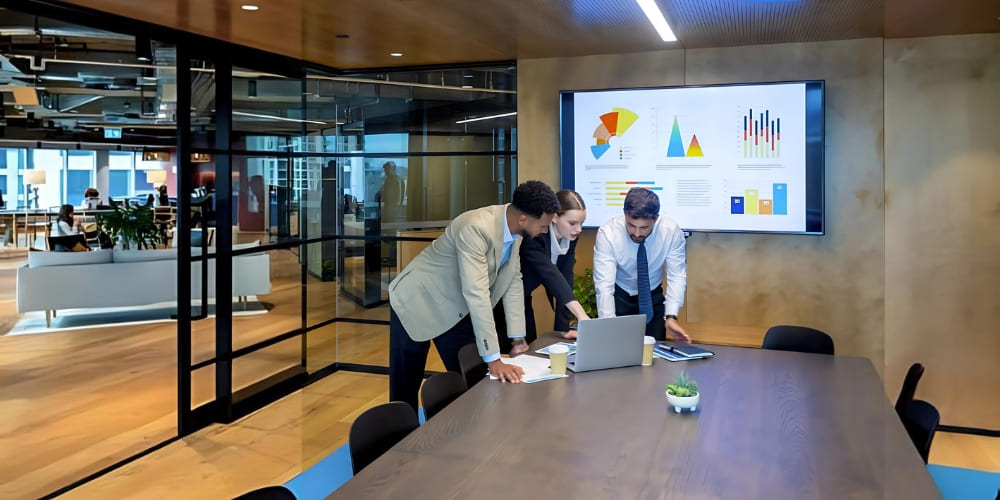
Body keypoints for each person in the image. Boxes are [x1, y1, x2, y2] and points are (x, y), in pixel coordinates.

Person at [388, 180, 560, 411]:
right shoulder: (475, 227)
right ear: (523, 219)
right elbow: (477, 293)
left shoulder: (517, 231)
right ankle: (401, 432)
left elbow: (513, 281)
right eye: (544, 225)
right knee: (406, 384)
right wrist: (494, 359)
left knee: (473, 377)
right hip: (417, 300)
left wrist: (517, 339)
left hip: (455, 306)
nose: (545, 231)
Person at [495, 189, 590, 351]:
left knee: (530, 346)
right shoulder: (535, 235)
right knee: (510, 350)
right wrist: (581, 315)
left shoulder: (570, 238)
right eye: (573, 223)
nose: (579, 229)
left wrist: (563, 329)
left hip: (524, 296)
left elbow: (565, 279)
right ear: (555, 217)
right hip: (503, 298)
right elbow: (551, 276)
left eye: (581, 223)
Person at [593, 187, 690, 342]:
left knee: (655, 351)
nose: (637, 233)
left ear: (656, 219)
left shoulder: (670, 231)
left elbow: (677, 275)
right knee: (617, 348)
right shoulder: (608, 233)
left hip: (652, 297)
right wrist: (608, 324)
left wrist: (671, 316)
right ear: (625, 215)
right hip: (620, 296)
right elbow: (604, 285)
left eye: (644, 227)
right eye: (631, 225)